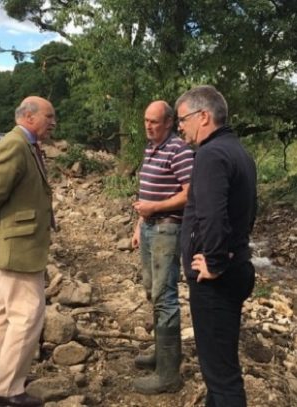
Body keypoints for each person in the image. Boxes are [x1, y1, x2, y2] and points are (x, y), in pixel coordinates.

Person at [0, 96, 56, 407]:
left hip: (18, 243)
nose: (53, 122)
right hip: (19, 246)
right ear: (29, 116)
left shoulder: (25, 144)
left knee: (4, 313)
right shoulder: (16, 144)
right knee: (28, 316)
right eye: (49, 116)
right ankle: (6, 391)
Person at [175, 85, 257, 407]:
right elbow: (250, 208)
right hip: (238, 268)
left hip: (217, 280)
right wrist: (234, 253)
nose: (179, 126)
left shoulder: (210, 154)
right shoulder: (239, 151)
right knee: (218, 369)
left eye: (182, 119)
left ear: (203, 116)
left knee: (223, 379)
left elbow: (211, 215)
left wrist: (216, 261)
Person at [131, 100, 194, 394]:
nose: (148, 125)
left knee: (164, 297)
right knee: (151, 291)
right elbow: (146, 189)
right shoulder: (151, 147)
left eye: (154, 121)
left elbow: (190, 192)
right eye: (146, 120)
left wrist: (155, 207)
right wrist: (139, 225)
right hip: (149, 228)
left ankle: (168, 376)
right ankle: (161, 354)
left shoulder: (179, 149)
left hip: (167, 228)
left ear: (169, 123)